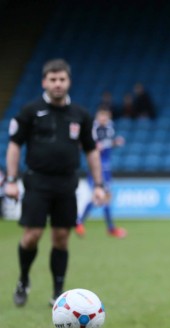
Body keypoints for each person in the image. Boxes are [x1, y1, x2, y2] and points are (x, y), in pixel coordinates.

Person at [4, 58, 106, 306]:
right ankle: (24, 279)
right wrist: (11, 180)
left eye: (62, 79)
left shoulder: (80, 115)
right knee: (32, 236)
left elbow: (92, 150)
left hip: (66, 184)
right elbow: (14, 145)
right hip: (37, 182)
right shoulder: (30, 111)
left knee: (61, 237)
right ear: (44, 82)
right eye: (53, 80)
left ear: (68, 82)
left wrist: (99, 184)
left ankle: (57, 292)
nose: (58, 84)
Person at [75, 107, 127, 238]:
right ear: (97, 117)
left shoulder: (110, 128)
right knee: (98, 197)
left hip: (107, 169)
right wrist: (95, 147)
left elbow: (107, 145)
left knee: (107, 198)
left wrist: (115, 143)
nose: (104, 118)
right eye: (101, 116)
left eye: (106, 116)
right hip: (96, 169)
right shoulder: (93, 130)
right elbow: (84, 145)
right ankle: (79, 222)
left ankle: (110, 228)